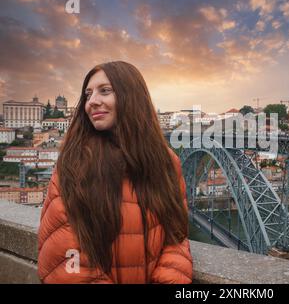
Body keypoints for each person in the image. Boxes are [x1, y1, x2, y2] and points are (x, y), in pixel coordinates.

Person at [37, 61, 192, 283]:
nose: (92, 101)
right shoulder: (72, 165)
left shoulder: (167, 163)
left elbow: (177, 237)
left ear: (132, 97)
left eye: (105, 91)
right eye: (88, 94)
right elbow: (65, 259)